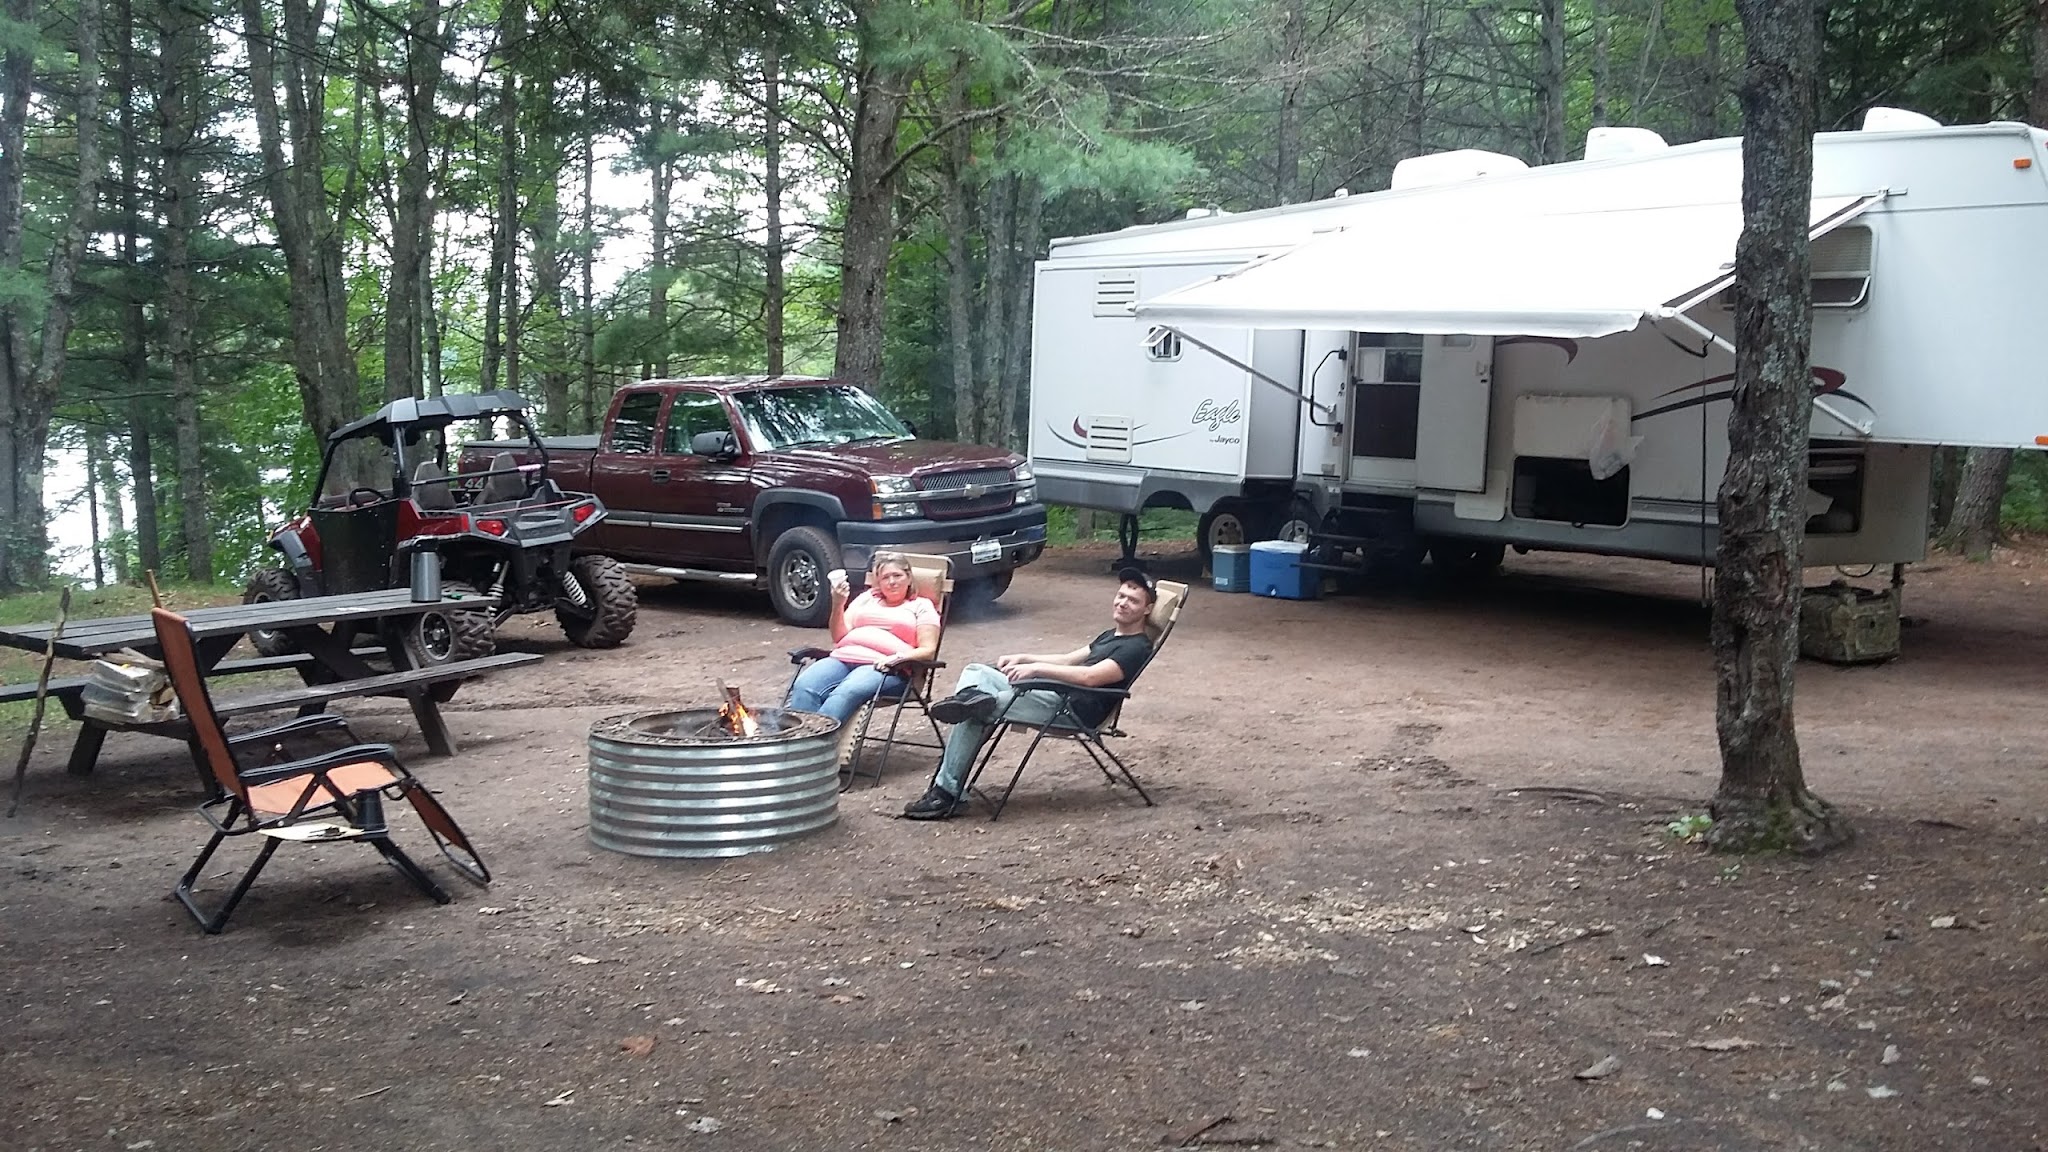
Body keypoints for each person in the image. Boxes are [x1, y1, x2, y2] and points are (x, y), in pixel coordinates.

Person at [902, 568, 1157, 820]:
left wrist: (1036, 670)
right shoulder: (1110, 636)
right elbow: (1068, 659)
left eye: (1133, 600)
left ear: (1147, 609)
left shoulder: (1136, 647)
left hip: (1073, 709)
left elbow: (1089, 677)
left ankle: (946, 793)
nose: (1123, 603)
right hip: (1057, 695)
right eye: (1121, 596)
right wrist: (1024, 657)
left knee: (980, 709)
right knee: (977, 672)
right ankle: (968, 702)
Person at [786, 552, 941, 741]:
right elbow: (839, 636)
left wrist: (898, 658)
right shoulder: (866, 599)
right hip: (842, 658)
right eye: (885, 577)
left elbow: (928, 650)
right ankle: (800, 743)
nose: (892, 582)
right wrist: (838, 604)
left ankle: (814, 744)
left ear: (909, 578)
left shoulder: (921, 606)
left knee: (848, 690)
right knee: (805, 685)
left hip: (888, 667)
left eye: (897, 575)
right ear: (878, 582)